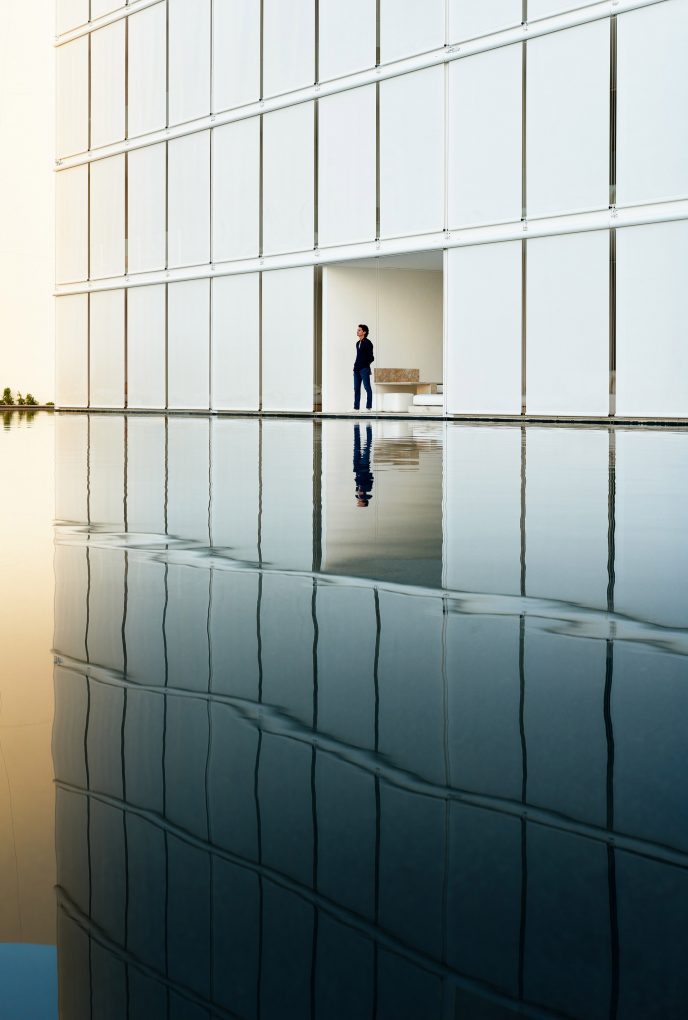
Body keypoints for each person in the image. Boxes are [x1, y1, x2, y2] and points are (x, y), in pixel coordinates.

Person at [353, 324, 374, 412]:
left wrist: (365, 365)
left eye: (359, 330)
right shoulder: (357, 343)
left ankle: (368, 407)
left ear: (364, 332)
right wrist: (355, 366)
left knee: (367, 388)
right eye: (357, 330)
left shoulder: (368, 343)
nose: (357, 331)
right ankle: (356, 408)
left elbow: (371, 357)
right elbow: (358, 356)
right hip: (356, 369)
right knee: (356, 388)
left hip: (364, 369)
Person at [353, 423, 374, 507]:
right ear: (364, 501)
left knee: (356, 445)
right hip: (364, 467)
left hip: (357, 467)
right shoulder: (368, 488)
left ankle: (356, 427)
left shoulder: (357, 491)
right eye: (359, 503)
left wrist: (359, 489)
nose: (358, 501)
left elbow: (357, 479)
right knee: (367, 446)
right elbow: (371, 477)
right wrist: (362, 488)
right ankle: (369, 428)